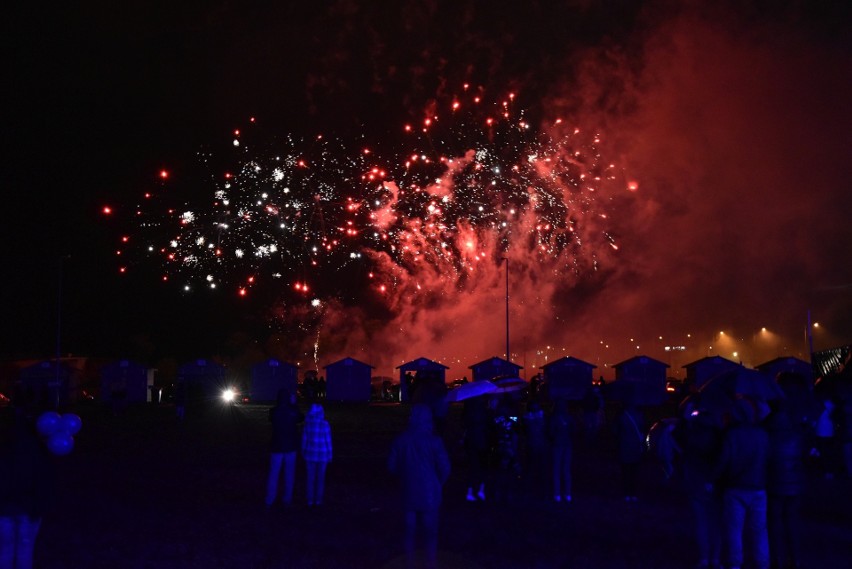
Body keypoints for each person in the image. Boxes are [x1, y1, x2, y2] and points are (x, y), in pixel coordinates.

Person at [388, 404, 451, 569]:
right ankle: (430, 564)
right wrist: (438, 483)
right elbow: (445, 467)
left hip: (408, 491)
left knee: (409, 532)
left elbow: (392, 467)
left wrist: (404, 476)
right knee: (430, 533)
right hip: (430, 492)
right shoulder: (434, 441)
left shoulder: (401, 440)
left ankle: (409, 563)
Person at [713, 398, 770, 569]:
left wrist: (713, 478)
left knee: (734, 530)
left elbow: (724, 460)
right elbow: (768, 458)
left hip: (736, 487)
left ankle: (735, 564)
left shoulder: (732, 435)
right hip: (758, 486)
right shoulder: (762, 434)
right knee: (759, 531)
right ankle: (762, 564)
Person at [0, 407, 56, 569]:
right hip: (28, 511)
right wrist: (38, 509)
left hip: (4, 511)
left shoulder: (3, 450)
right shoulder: (40, 453)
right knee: (25, 550)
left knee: (5, 550)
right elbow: (43, 484)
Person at [673, 400, 723, 569]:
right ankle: (715, 559)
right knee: (715, 521)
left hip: (695, 479)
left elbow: (678, 446)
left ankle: (704, 559)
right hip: (714, 480)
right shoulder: (719, 434)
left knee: (701, 520)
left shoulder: (690, 433)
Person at [766, 405, 806, 569]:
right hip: (794, 485)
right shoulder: (796, 436)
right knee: (791, 522)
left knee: (774, 522)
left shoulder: (769, 437)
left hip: (775, 484)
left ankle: (776, 558)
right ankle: (794, 559)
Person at [265, 389, 304, 510]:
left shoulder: (274, 411)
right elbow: (301, 418)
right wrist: (294, 404)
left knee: (273, 474)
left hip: (276, 446)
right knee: (289, 474)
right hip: (290, 447)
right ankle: (287, 499)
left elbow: (271, 419)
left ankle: (270, 500)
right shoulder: (293, 411)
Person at [302, 403, 332, 507]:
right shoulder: (325, 424)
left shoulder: (308, 424)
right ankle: (318, 500)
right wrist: (330, 453)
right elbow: (328, 440)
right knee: (320, 478)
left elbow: (304, 441)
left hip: (310, 455)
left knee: (310, 478)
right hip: (322, 455)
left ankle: (310, 500)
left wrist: (303, 452)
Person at [615, 400, 646, 501]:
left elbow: (615, 431)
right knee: (634, 471)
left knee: (626, 471)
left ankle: (627, 493)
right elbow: (643, 429)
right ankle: (633, 493)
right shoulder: (640, 416)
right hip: (636, 446)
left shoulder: (621, 416)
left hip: (624, 446)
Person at [462, 396, 489, 502]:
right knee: (482, 466)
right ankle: (481, 490)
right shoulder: (484, 411)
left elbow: (464, 425)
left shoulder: (468, 412)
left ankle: (470, 491)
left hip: (471, 441)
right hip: (482, 441)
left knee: (472, 466)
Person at [521, 400, 549, 500]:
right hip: (535, 446)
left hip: (536, 446)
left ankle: (534, 492)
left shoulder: (529, 418)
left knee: (535, 470)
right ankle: (534, 492)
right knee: (534, 470)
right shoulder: (535, 418)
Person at [548, 399, 574, 503]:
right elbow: (574, 430)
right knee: (566, 469)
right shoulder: (569, 417)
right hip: (567, 445)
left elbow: (550, 432)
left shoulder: (554, 418)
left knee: (556, 469)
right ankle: (567, 494)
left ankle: (557, 494)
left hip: (557, 445)